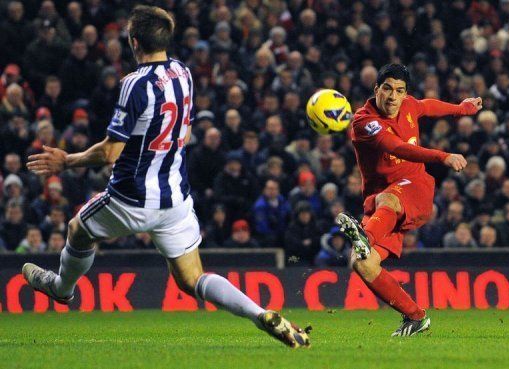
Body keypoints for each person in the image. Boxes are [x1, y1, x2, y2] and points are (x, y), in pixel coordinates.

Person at [22, 6, 309, 349]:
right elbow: (183, 135)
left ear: (133, 42)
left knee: (77, 230)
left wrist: (67, 160)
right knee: (193, 279)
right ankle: (259, 313)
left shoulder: (134, 84)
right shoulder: (183, 73)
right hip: (175, 198)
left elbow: (110, 152)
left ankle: (61, 289)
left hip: (131, 197)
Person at [336, 63, 482, 337]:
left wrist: (463, 108)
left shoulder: (409, 105)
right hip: (381, 202)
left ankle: (365, 236)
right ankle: (415, 316)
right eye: (387, 89)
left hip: (414, 188)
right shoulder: (363, 121)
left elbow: (428, 105)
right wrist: (443, 156)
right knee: (362, 263)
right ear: (376, 89)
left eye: (400, 91)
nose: (393, 97)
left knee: (389, 199)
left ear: (405, 94)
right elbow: (395, 147)